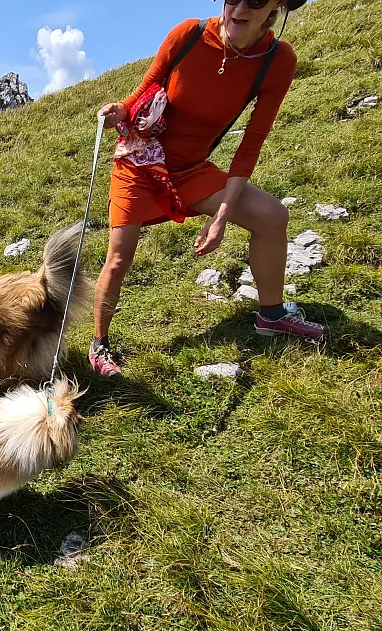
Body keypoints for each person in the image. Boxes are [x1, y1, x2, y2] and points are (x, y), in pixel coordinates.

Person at [90, 0, 325, 378]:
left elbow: (251, 144)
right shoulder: (189, 34)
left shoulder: (276, 60)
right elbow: (146, 88)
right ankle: (99, 345)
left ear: (276, 8)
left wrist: (222, 216)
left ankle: (272, 316)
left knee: (272, 216)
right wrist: (121, 108)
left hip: (190, 169)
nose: (240, 8)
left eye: (255, 1)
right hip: (141, 160)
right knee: (118, 259)